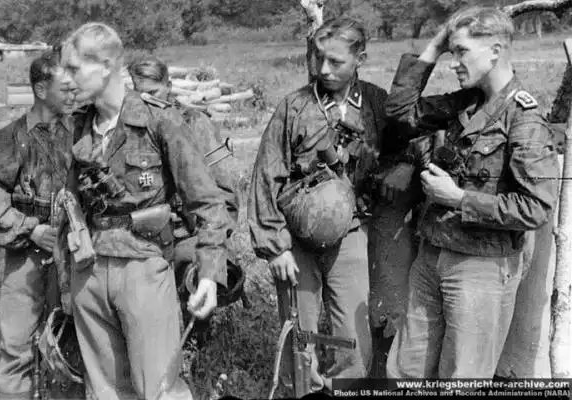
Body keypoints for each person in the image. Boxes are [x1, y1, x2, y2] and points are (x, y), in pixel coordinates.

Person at [59, 22, 233, 399]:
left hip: (143, 268)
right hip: (88, 269)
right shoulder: (76, 127)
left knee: (159, 389)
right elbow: (68, 207)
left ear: (106, 65)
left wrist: (209, 273)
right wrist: (65, 281)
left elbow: (207, 201)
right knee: (104, 392)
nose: (65, 79)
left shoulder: (158, 120)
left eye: (73, 69)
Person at [384, 6, 559, 379]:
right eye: (451, 52)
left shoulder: (524, 117)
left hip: (481, 267)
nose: (453, 63)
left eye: (461, 51)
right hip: (432, 255)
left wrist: (458, 199)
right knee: (406, 372)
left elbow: (536, 207)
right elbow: (400, 112)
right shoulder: (465, 102)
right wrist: (436, 44)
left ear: (495, 51)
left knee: (461, 378)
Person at [248, 17, 411, 394]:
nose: (323, 69)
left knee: (353, 335)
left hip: (351, 233)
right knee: (298, 335)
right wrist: (275, 247)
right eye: (319, 59)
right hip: (295, 239)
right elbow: (266, 176)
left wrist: (402, 165)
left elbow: (405, 146)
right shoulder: (295, 106)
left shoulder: (375, 103)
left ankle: (345, 388)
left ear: (360, 59)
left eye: (335, 61)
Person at [0, 49, 77, 400]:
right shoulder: (11, 138)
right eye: (65, 88)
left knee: (72, 342)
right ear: (40, 90)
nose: (73, 94)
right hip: (28, 256)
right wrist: (30, 228)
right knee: (17, 347)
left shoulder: (80, 134)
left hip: (75, 254)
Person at [128, 57, 239, 292]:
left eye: (153, 93)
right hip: (141, 244)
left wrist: (213, 243)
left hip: (187, 237)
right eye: (139, 94)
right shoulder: (129, 129)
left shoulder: (194, 123)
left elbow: (224, 193)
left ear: (168, 87)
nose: (147, 101)